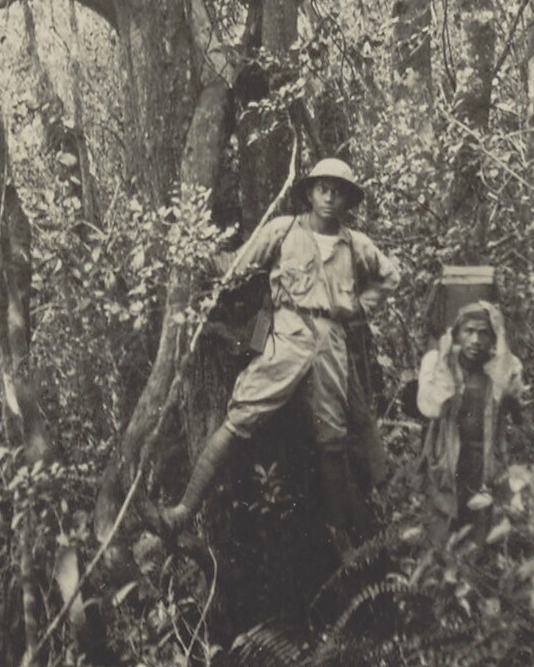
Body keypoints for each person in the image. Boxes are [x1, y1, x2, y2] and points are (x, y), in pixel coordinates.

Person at [161, 158, 400, 556]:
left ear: (347, 200)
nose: (329, 197)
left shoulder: (355, 244)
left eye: (338, 191)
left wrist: (360, 306)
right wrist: (197, 253)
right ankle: (185, 509)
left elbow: (390, 276)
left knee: (332, 438)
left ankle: (343, 539)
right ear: (310, 193)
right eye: (323, 188)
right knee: (241, 415)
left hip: (330, 340)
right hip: (286, 333)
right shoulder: (284, 229)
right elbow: (236, 267)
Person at [416, 300, 523, 545]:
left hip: (485, 467)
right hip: (445, 465)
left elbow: (510, 390)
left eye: (484, 333)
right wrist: (443, 360)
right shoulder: (436, 362)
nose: (476, 340)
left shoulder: (504, 366)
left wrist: (501, 336)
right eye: (469, 331)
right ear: (457, 334)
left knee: (480, 545)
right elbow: (431, 408)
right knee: (441, 543)